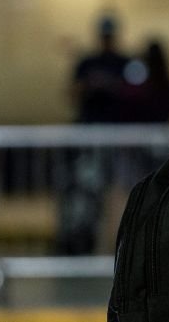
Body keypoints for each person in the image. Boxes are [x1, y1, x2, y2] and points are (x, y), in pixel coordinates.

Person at [57, 13, 129, 255]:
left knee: (119, 193)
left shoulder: (125, 63)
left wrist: (112, 85)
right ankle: (87, 245)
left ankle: (118, 245)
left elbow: (135, 93)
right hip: (90, 138)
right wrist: (90, 84)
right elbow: (72, 93)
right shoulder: (88, 63)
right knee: (89, 193)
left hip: (120, 138)